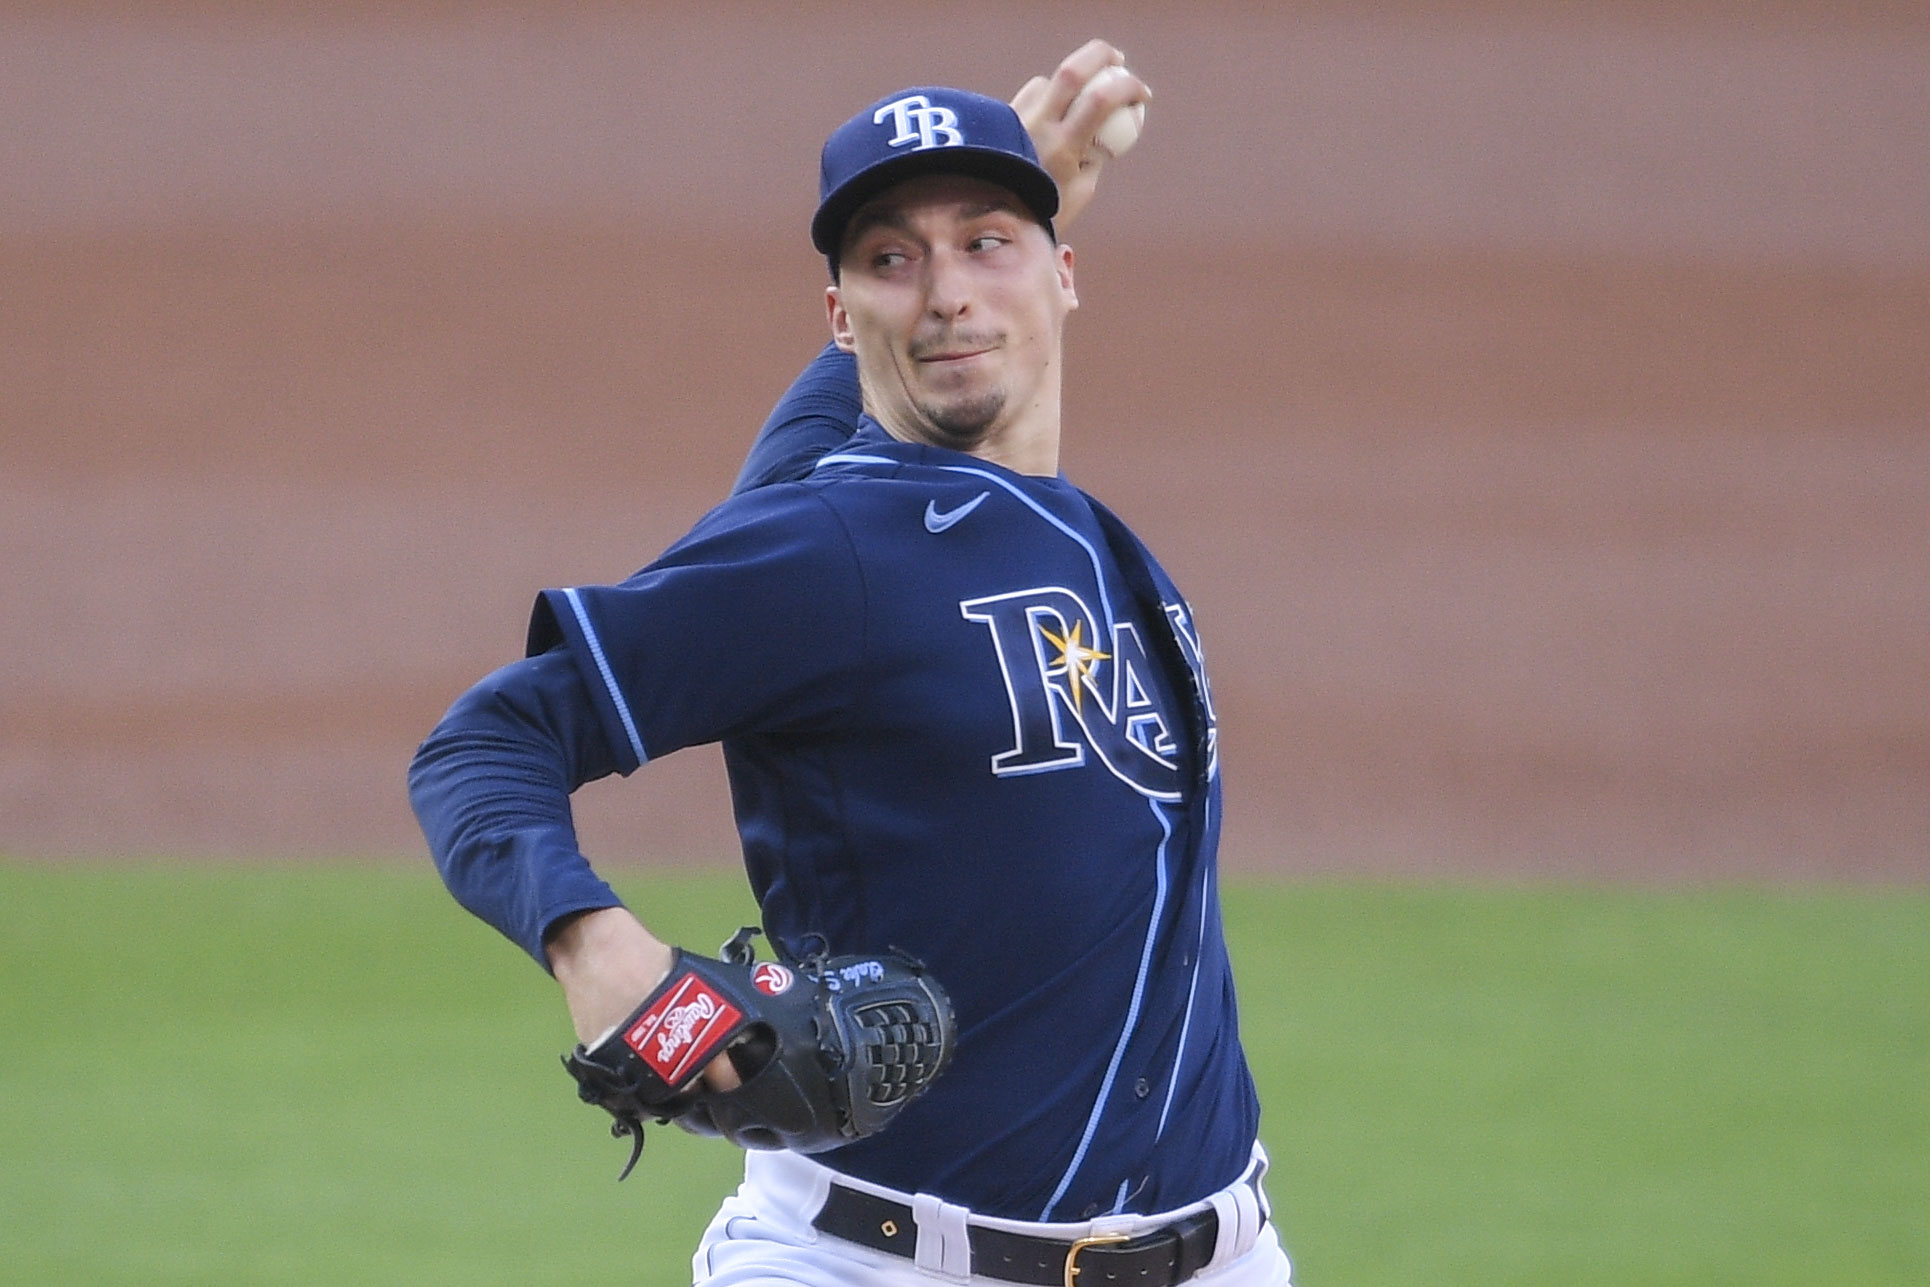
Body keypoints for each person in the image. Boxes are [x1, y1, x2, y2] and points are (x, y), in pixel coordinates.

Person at [409, 39, 1294, 1287]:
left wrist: (980, 221)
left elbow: (824, 436)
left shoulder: (1086, 538)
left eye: (987, 242)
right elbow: (486, 742)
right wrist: (593, 945)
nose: (944, 295)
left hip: (1220, 1254)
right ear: (840, 311)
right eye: (891, 260)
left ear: (1066, 271)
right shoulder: (829, 552)